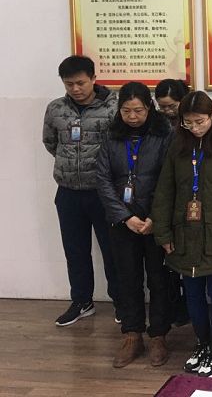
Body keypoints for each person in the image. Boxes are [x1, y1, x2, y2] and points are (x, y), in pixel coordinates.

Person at [151, 91, 212, 378]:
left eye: (200, 122)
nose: (194, 128)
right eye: (188, 122)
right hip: (183, 232)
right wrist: (163, 232)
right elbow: (165, 190)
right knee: (192, 292)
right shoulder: (178, 144)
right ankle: (201, 343)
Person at [96, 82, 173, 368]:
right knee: (126, 278)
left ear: (149, 108)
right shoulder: (111, 135)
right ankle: (132, 334)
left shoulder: (164, 133)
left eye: (138, 110)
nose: (132, 116)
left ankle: (158, 335)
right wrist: (125, 216)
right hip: (122, 221)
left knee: (159, 278)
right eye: (126, 110)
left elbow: (169, 178)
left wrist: (154, 217)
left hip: (155, 220)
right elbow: (103, 179)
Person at [42, 55, 119, 326]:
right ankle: (82, 301)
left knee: (113, 250)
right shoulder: (56, 109)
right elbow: (50, 142)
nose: (75, 89)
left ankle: (122, 302)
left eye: (81, 83)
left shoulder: (113, 106)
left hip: (103, 192)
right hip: (68, 192)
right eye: (69, 84)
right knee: (75, 251)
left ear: (93, 79)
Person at [154, 79, 191, 326]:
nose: (167, 111)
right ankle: (172, 305)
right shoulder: (155, 124)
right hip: (161, 192)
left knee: (185, 253)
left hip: (187, 195)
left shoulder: (193, 122)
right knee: (165, 258)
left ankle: (187, 305)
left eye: (172, 106)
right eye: (162, 106)